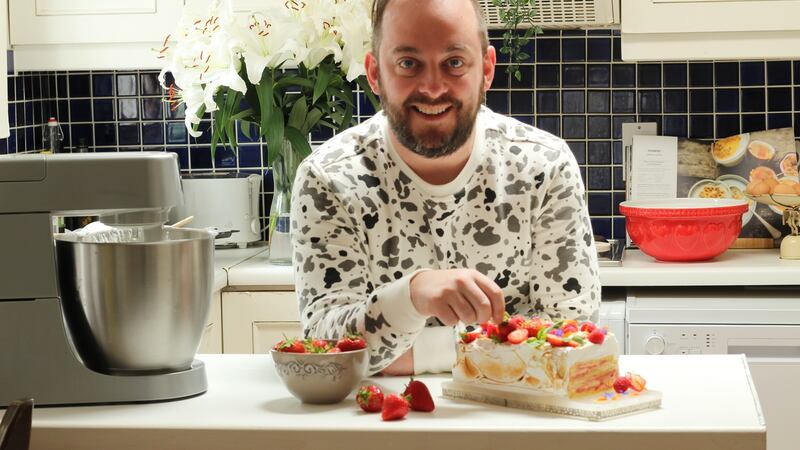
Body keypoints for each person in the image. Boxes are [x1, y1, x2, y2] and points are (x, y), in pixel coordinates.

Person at [290, 0, 600, 376]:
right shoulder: (328, 179)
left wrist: (405, 353)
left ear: (486, 69)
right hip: (376, 429)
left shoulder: (545, 167)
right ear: (374, 73)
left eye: (454, 62)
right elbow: (326, 352)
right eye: (408, 63)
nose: (432, 88)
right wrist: (412, 295)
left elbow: (572, 334)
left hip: (516, 422)